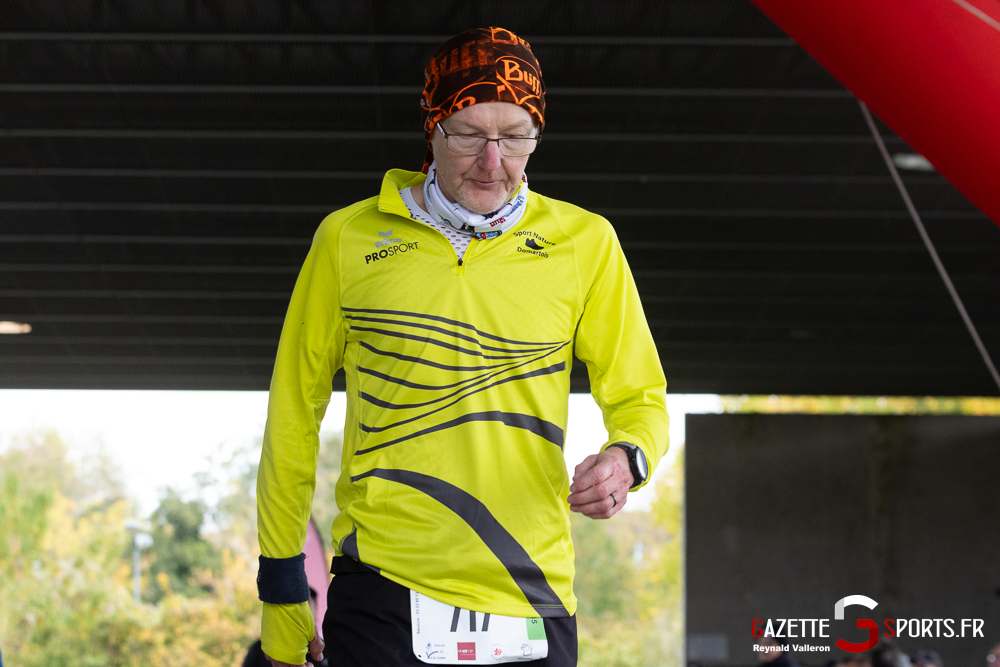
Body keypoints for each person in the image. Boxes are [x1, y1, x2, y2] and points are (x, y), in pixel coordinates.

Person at [255, 26, 669, 667]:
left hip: (531, 593)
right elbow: (292, 416)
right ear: (433, 128)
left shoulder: (587, 243)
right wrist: (282, 588)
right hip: (383, 586)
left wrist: (627, 457)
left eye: (516, 138)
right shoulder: (346, 239)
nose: (493, 161)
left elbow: (641, 396)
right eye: (471, 135)